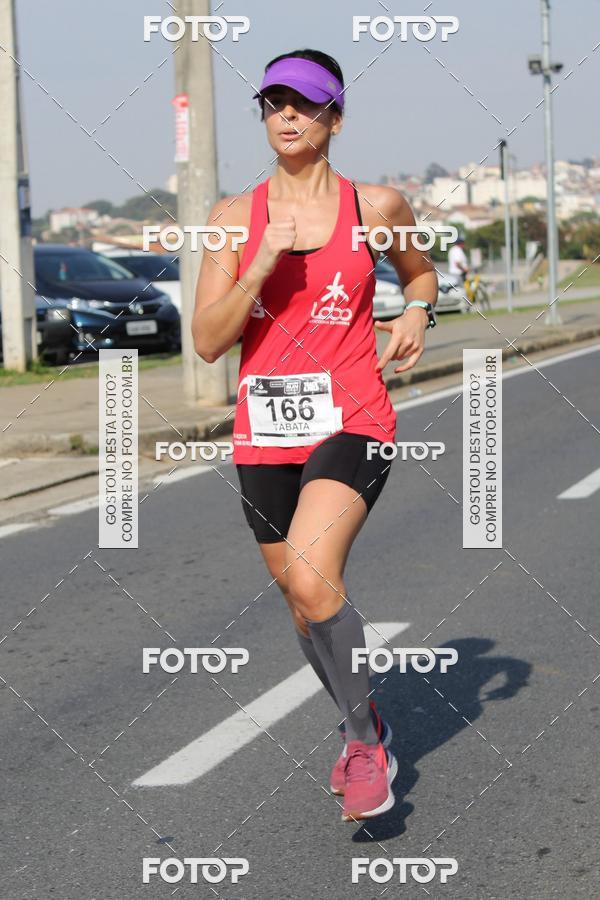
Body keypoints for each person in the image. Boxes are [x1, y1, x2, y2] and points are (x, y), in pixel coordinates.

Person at [192, 49, 438, 822]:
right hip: (265, 432)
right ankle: (362, 724)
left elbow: (420, 272)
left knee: (309, 570)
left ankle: (366, 741)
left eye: (303, 102)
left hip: (352, 418)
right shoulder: (235, 220)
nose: (286, 115)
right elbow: (206, 340)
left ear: (334, 116)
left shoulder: (378, 205)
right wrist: (259, 261)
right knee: (303, 603)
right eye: (272, 102)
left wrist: (416, 310)